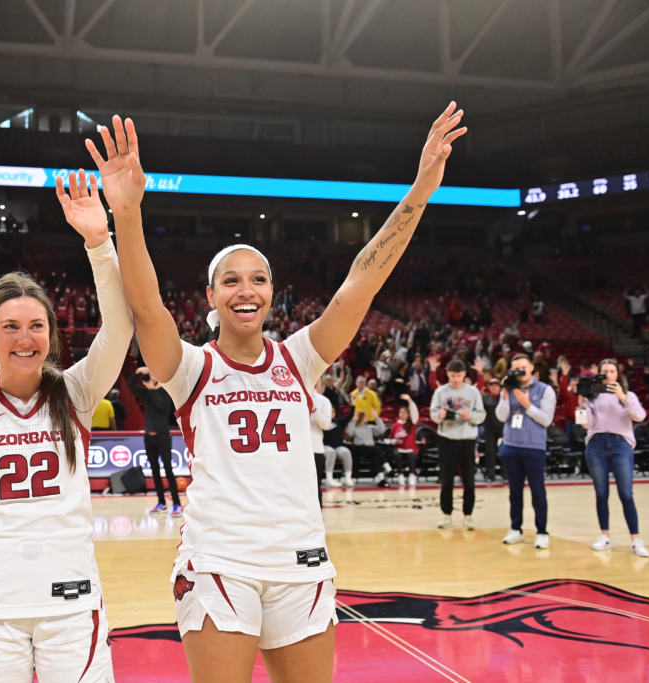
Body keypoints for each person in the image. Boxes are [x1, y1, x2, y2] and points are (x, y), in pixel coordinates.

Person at [99, 104, 466, 681]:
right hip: (220, 562)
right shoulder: (192, 366)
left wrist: (420, 189)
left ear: (273, 292)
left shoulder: (299, 357)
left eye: (259, 279)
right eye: (231, 281)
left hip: (302, 561)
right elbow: (144, 306)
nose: (246, 290)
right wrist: (127, 211)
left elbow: (364, 278)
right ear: (211, 297)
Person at [0, 160, 132, 682]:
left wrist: (101, 244)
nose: (25, 337)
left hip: (72, 603)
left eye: (36, 325)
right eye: (9, 326)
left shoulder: (74, 392)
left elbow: (121, 328)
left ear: (51, 336)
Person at [582, 359, 649, 557]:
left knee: (626, 494)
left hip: (621, 444)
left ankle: (636, 539)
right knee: (601, 493)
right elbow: (587, 425)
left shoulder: (629, 395)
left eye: (612, 371)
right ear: (599, 374)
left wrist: (623, 397)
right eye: (604, 371)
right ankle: (605, 535)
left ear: (618, 374)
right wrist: (583, 404)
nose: (608, 374)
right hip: (597, 444)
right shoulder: (592, 397)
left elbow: (640, 416)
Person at [495, 353, 557, 549]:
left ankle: (542, 532)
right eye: (515, 369)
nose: (519, 372)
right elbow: (501, 416)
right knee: (514, 492)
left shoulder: (545, 390)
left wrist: (526, 404)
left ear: (531, 368)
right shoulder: (509, 389)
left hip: (534, 447)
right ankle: (515, 529)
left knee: (537, 491)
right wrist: (505, 396)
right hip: (511, 446)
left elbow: (546, 420)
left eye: (523, 368)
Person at [430, 359, 485, 530]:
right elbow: (433, 415)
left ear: (464, 375)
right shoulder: (440, 392)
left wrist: (470, 416)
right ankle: (447, 515)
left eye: (459, 375)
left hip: (467, 439)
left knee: (469, 479)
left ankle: (468, 516)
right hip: (447, 438)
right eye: (453, 375)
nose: (456, 379)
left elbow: (481, 415)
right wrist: (440, 414)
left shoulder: (473, 392)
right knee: (447, 480)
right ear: (447, 373)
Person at [130, 366, 181, 516]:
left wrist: (152, 389)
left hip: (163, 436)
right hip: (149, 437)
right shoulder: (147, 392)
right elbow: (130, 386)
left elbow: (161, 405)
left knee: (168, 471)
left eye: (153, 375)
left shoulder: (166, 392)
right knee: (155, 472)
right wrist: (137, 372)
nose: (151, 377)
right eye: (150, 375)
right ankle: (161, 503)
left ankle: (177, 504)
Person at [346, 410, 390, 486]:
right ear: (361, 417)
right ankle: (385, 464)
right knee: (378, 448)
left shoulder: (370, 427)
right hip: (360, 448)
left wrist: (377, 418)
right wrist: (353, 420)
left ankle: (381, 478)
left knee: (376, 456)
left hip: (371, 449)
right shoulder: (355, 427)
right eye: (365, 416)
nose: (367, 417)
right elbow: (349, 432)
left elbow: (381, 430)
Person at [310, 374, 334, 503]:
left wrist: (314, 410)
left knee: (315, 487)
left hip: (315, 449)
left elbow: (326, 425)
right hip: (294, 450)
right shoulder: (291, 399)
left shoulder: (323, 401)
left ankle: (318, 520)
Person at [387, 394, 420, 486]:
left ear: (408, 414)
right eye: (401, 412)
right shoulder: (395, 425)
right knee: (397, 455)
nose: (402, 414)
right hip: (399, 448)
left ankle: (411, 475)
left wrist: (410, 401)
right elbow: (390, 439)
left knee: (411, 455)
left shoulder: (412, 423)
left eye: (405, 412)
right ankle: (400, 475)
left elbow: (415, 413)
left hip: (411, 448)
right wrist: (393, 441)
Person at [481, 377, 504, 482]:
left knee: (504, 452)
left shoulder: (505, 398)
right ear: (489, 387)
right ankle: (490, 475)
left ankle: (506, 474)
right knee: (490, 452)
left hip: (502, 430)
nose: (494, 387)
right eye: (492, 385)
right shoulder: (484, 398)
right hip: (489, 429)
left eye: (496, 385)